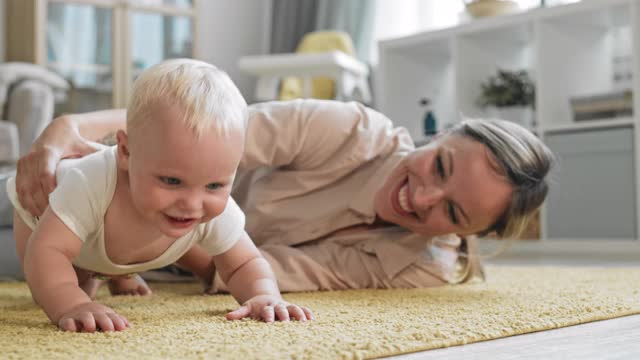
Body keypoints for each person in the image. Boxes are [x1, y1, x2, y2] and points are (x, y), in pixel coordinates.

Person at [15, 98, 553, 293]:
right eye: (439, 164)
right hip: (113, 187)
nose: (423, 197)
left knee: (21, 264)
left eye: (452, 212)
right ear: (438, 136)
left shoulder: (422, 266)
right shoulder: (348, 130)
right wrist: (66, 127)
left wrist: (134, 249)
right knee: (20, 196)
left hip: (156, 254)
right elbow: (192, 130)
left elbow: (247, 270)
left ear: (467, 236)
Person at [6, 59, 313, 333]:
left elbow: (244, 263)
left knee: (110, 253)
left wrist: (264, 295)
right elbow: (47, 252)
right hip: (41, 210)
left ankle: (115, 273)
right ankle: (102, 275)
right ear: (125, 152)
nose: (192, 204)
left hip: (105, 240)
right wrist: (71, 304)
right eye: (171, 180)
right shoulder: (91, 182)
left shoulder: (208, 206)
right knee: (62, 286)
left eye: (215, 186)